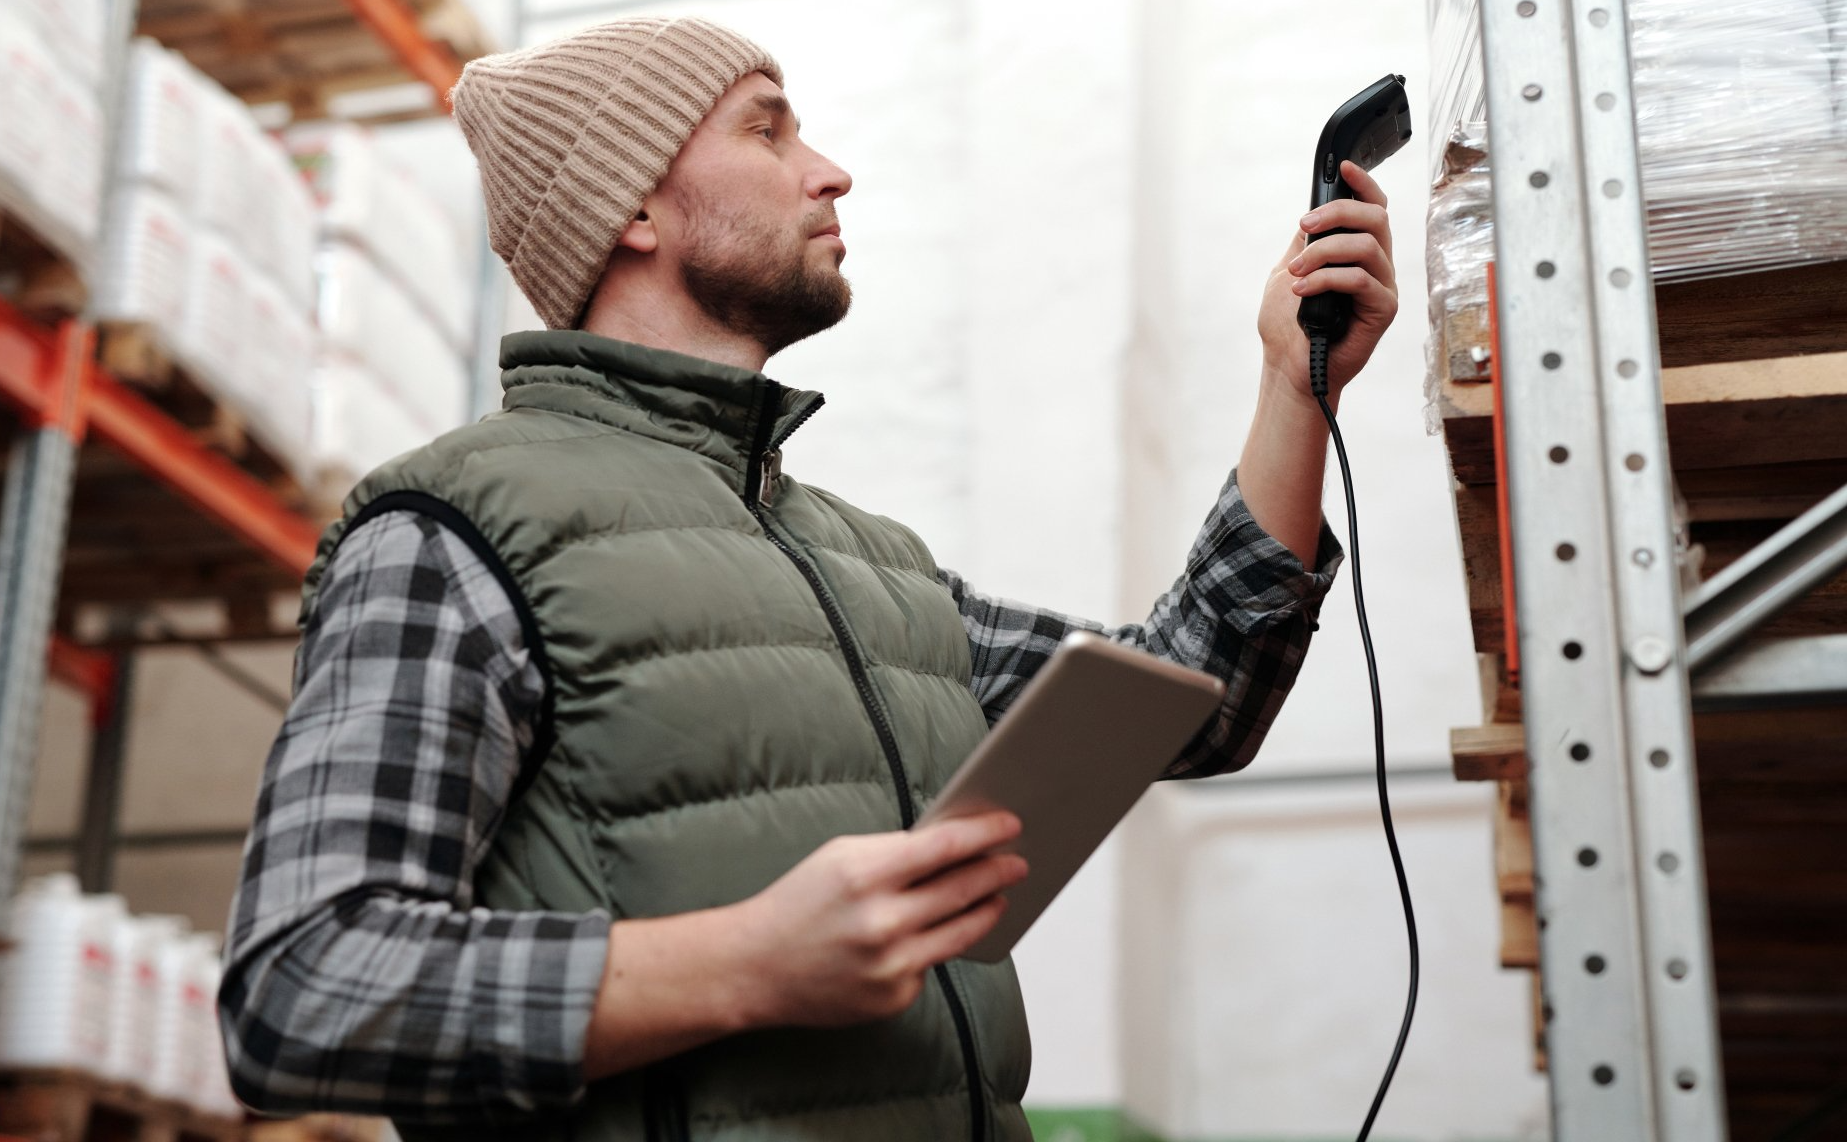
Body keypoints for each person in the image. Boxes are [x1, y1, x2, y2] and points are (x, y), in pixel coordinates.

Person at [220, 15, 1396, 1142]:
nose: (829, 172)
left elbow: (1198, 696)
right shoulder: (449, 533)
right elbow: (302, 986)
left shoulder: (869, 564)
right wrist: (749, 960)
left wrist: (1295, 385)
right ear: (631, 206)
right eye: (767, 130)